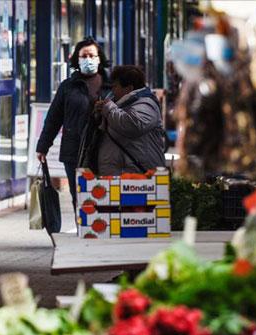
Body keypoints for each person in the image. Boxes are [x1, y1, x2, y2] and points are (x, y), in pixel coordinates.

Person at [35, 37, 112, 209]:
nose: (88, 60)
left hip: (105, 149)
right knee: (79, 195)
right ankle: (84, 230)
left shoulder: (111, 85)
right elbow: (54, 118)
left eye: (92, 55)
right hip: (74, 150)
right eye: (84, 56)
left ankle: (102, 230)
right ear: (77, 59)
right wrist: (43, 146)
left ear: (99, 58)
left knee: (104, 193)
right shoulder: (68, 87)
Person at [93, 65, 165, 175]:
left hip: (139, 179)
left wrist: (108, 108)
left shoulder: (146, 104)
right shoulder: (118, 104)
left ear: (129, 88)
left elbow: (132, 125)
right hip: (117, 175)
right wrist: (99, 114)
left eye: (115, 86)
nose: (112, 90)